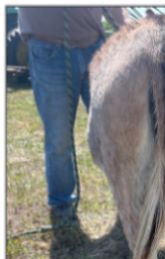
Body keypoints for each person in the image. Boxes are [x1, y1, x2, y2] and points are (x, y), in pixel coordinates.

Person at [18, 7, 129, 222]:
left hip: (96, 48)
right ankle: (61, 202)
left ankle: (126, 194)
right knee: (59, 136)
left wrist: (127, 28)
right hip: (48, 49)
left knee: (113, 131)